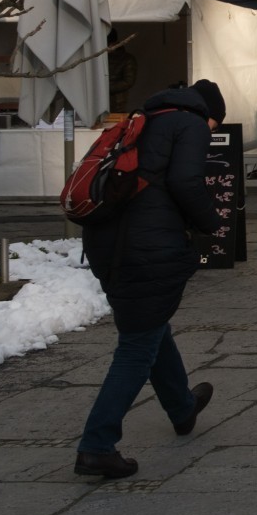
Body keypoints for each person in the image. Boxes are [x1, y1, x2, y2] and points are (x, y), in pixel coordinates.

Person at [74, 79, 224, 481]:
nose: (212, 133)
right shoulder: (191, 124)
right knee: (137, 345)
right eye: (216, 126)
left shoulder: (140, 120)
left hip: (106, 243)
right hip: (148, 248)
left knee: (151, 326)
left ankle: (182, 407)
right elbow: (185, 182)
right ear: (209, 115)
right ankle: (96, 446)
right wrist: (212, 223)